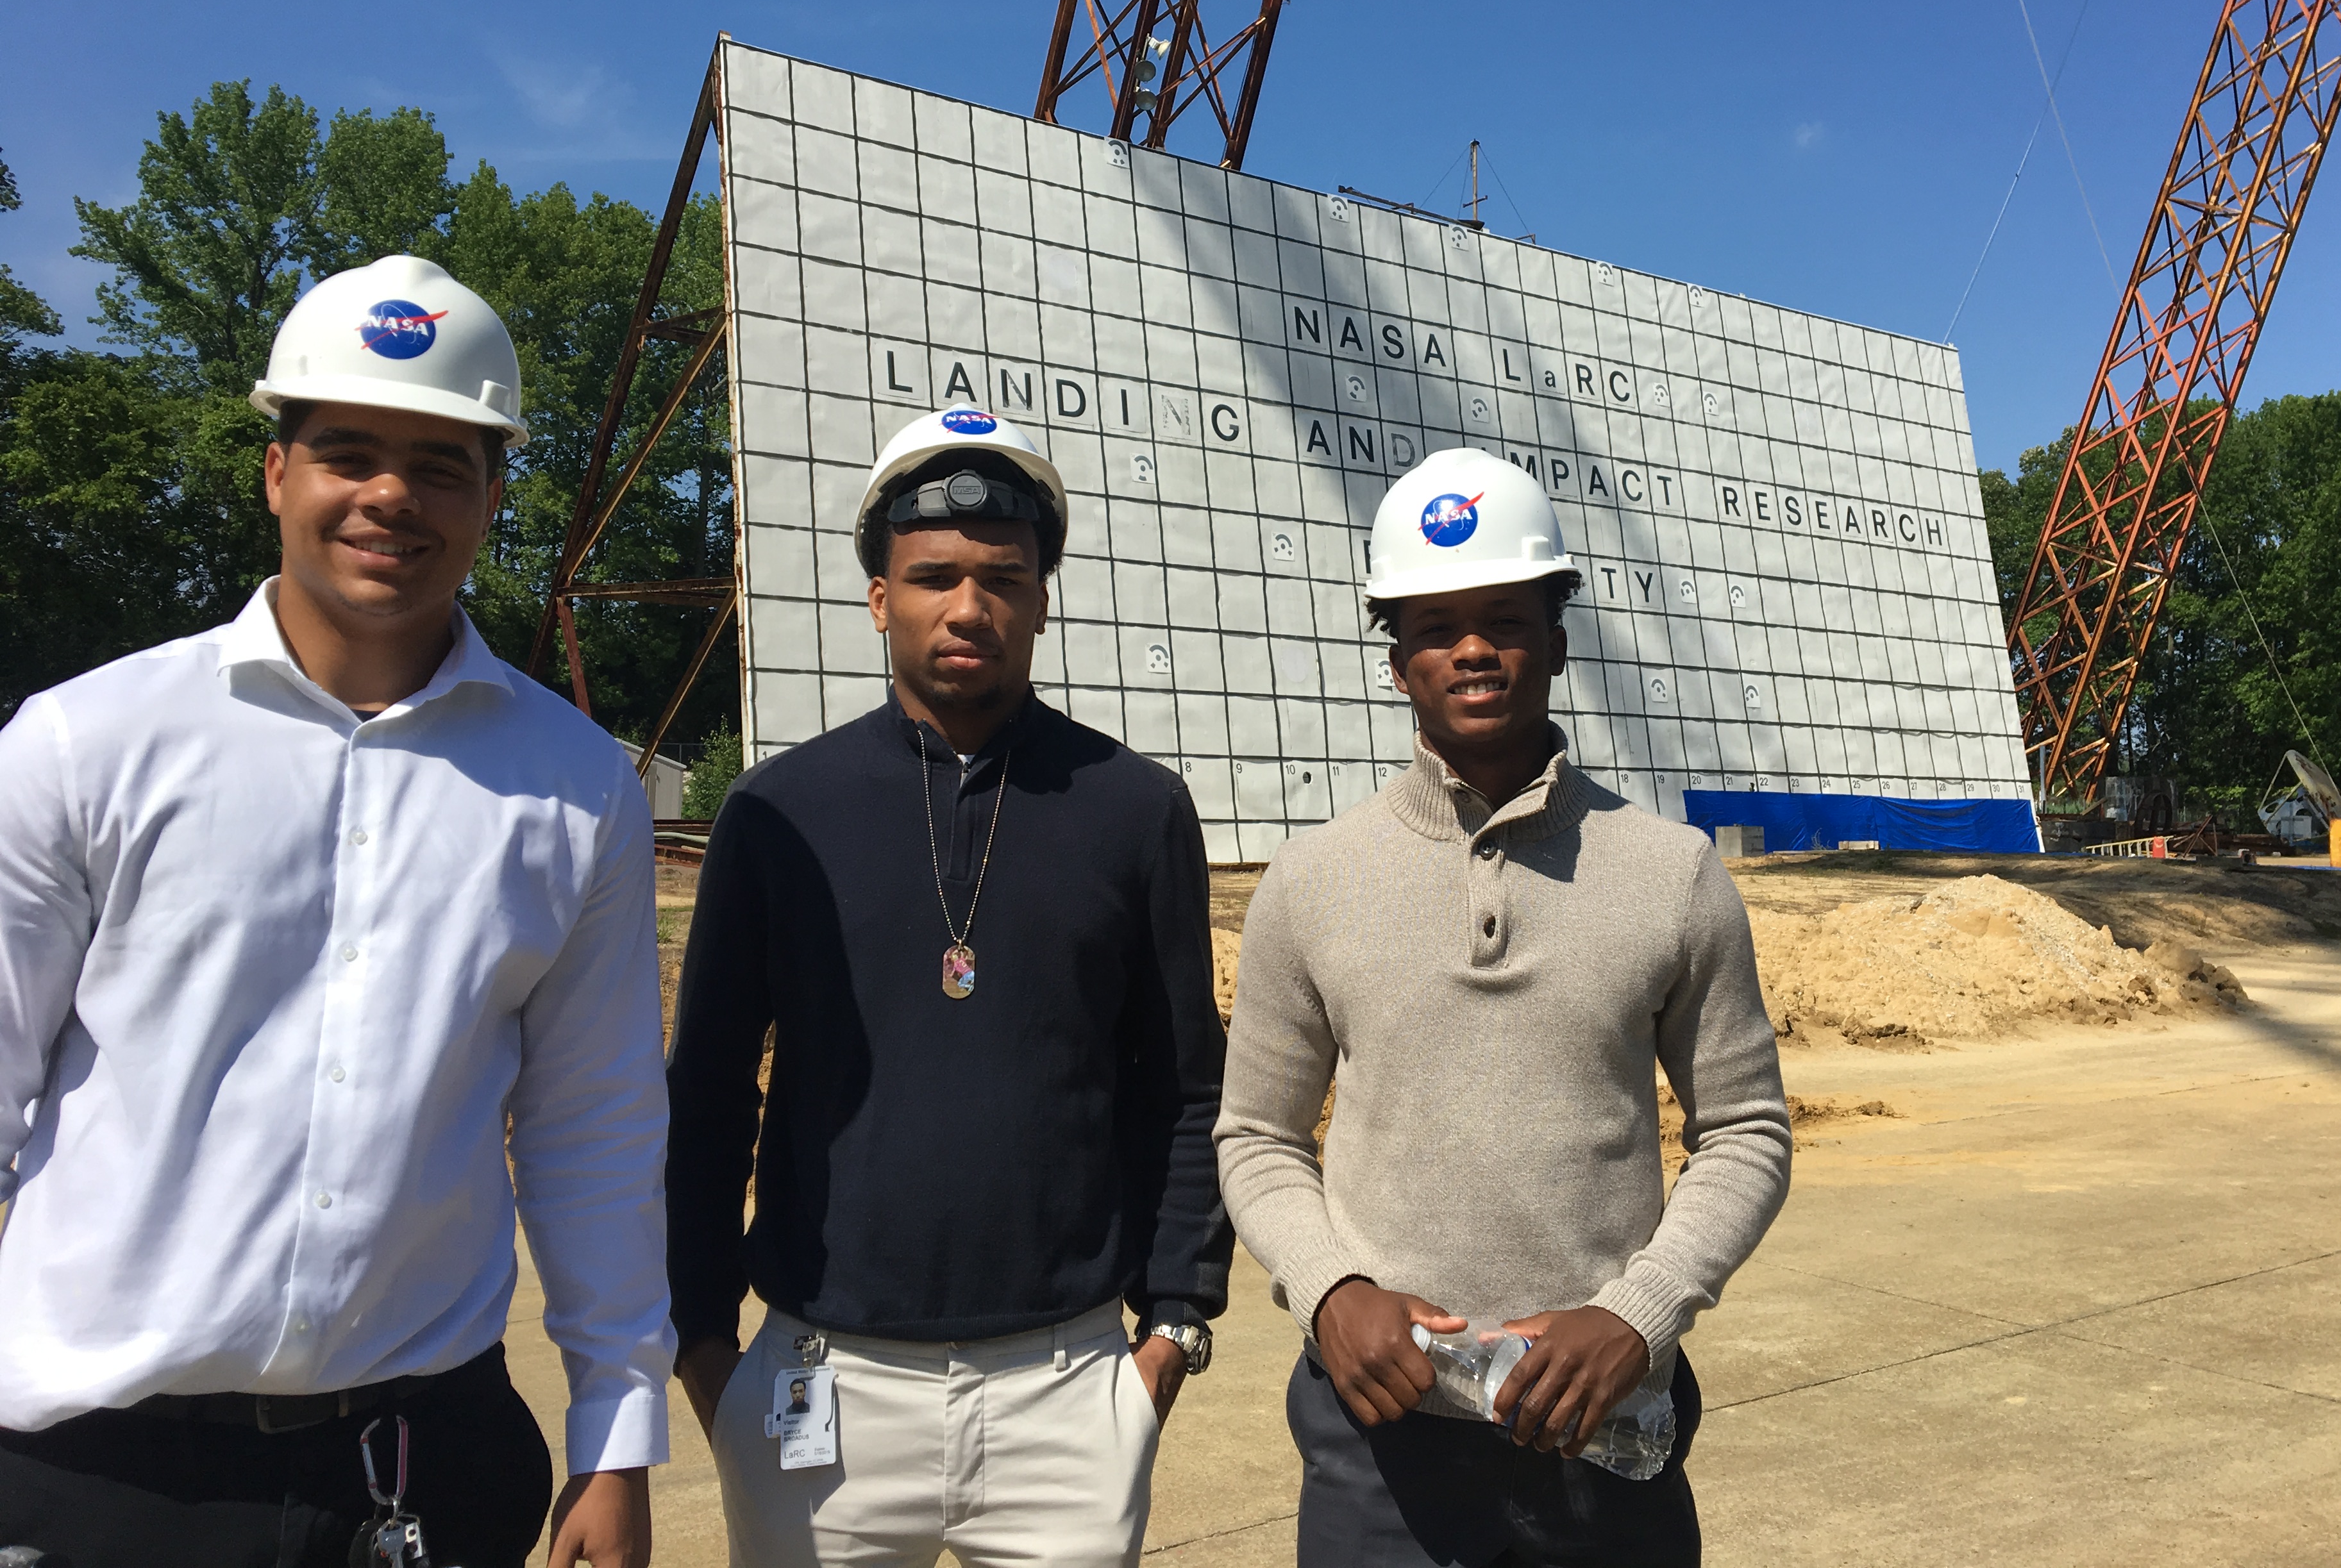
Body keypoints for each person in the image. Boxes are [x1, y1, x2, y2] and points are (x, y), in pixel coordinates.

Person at [0, 257, 672, 1567]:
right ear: (276, 473)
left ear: (492, 495)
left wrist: (616, 1426)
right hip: (98, 1473)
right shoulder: (86, 747)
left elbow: (593, 1125)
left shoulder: (577, 789)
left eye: (440, 463)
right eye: (347, 450)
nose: (389, 496)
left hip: (416, 1466)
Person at [666, 405, 1231, 1568]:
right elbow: (710, 1093)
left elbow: (1187, 1087)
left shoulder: (1134, 810)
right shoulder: (779, 815)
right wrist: (703, 1344)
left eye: (1002, 579)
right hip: (819, 1386)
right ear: (880, 596)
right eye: (932, 578)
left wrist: (1174, 1324)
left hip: (1068, 1388)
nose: (968, 608)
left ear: (1040, 595)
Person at [1214, 447, 1794, 1567]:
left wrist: (1640, 1313)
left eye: (1505, 618)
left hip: (1603, 1427)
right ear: (1397, 660)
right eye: (1435, 625)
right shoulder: (1311, 882)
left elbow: (1748, 1132)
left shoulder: (1670, 873)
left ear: (1557, 642)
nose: (1473, 647)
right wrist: (1332, 1291)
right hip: (1380, 1441)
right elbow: (1257, 1137)